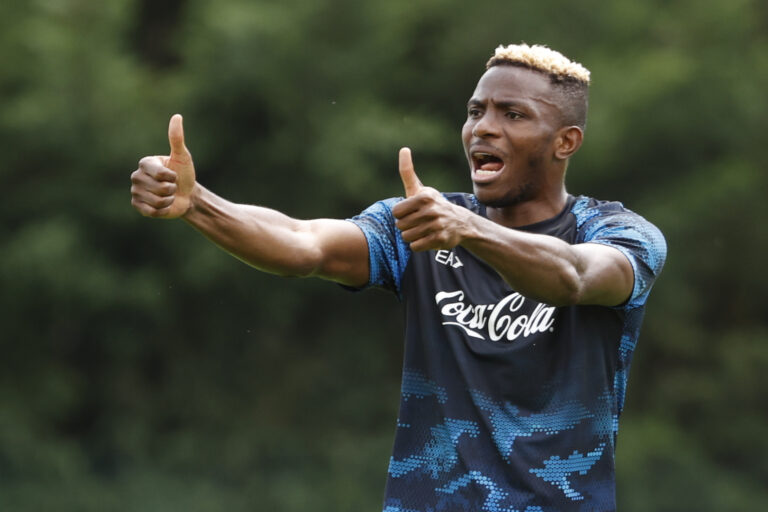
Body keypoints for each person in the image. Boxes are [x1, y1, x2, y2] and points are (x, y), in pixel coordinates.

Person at [131, 43, 666, 512]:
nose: (484, 127)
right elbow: (304, 244)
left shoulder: (619, 233)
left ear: (565, 142)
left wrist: (469, 232)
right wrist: (198, 204)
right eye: (476, 111)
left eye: (513, 114)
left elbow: (573, 277)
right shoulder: (421, 223)